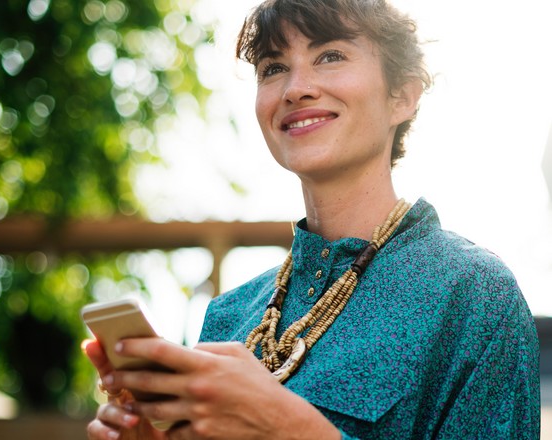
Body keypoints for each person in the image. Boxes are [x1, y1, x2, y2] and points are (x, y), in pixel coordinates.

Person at [83, 0, 540, 438]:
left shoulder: (474, 294)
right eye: (273, 68)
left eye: (330, 55)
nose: (295, 88)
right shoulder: (228, 317)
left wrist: (290, 431)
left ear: (402, 96)